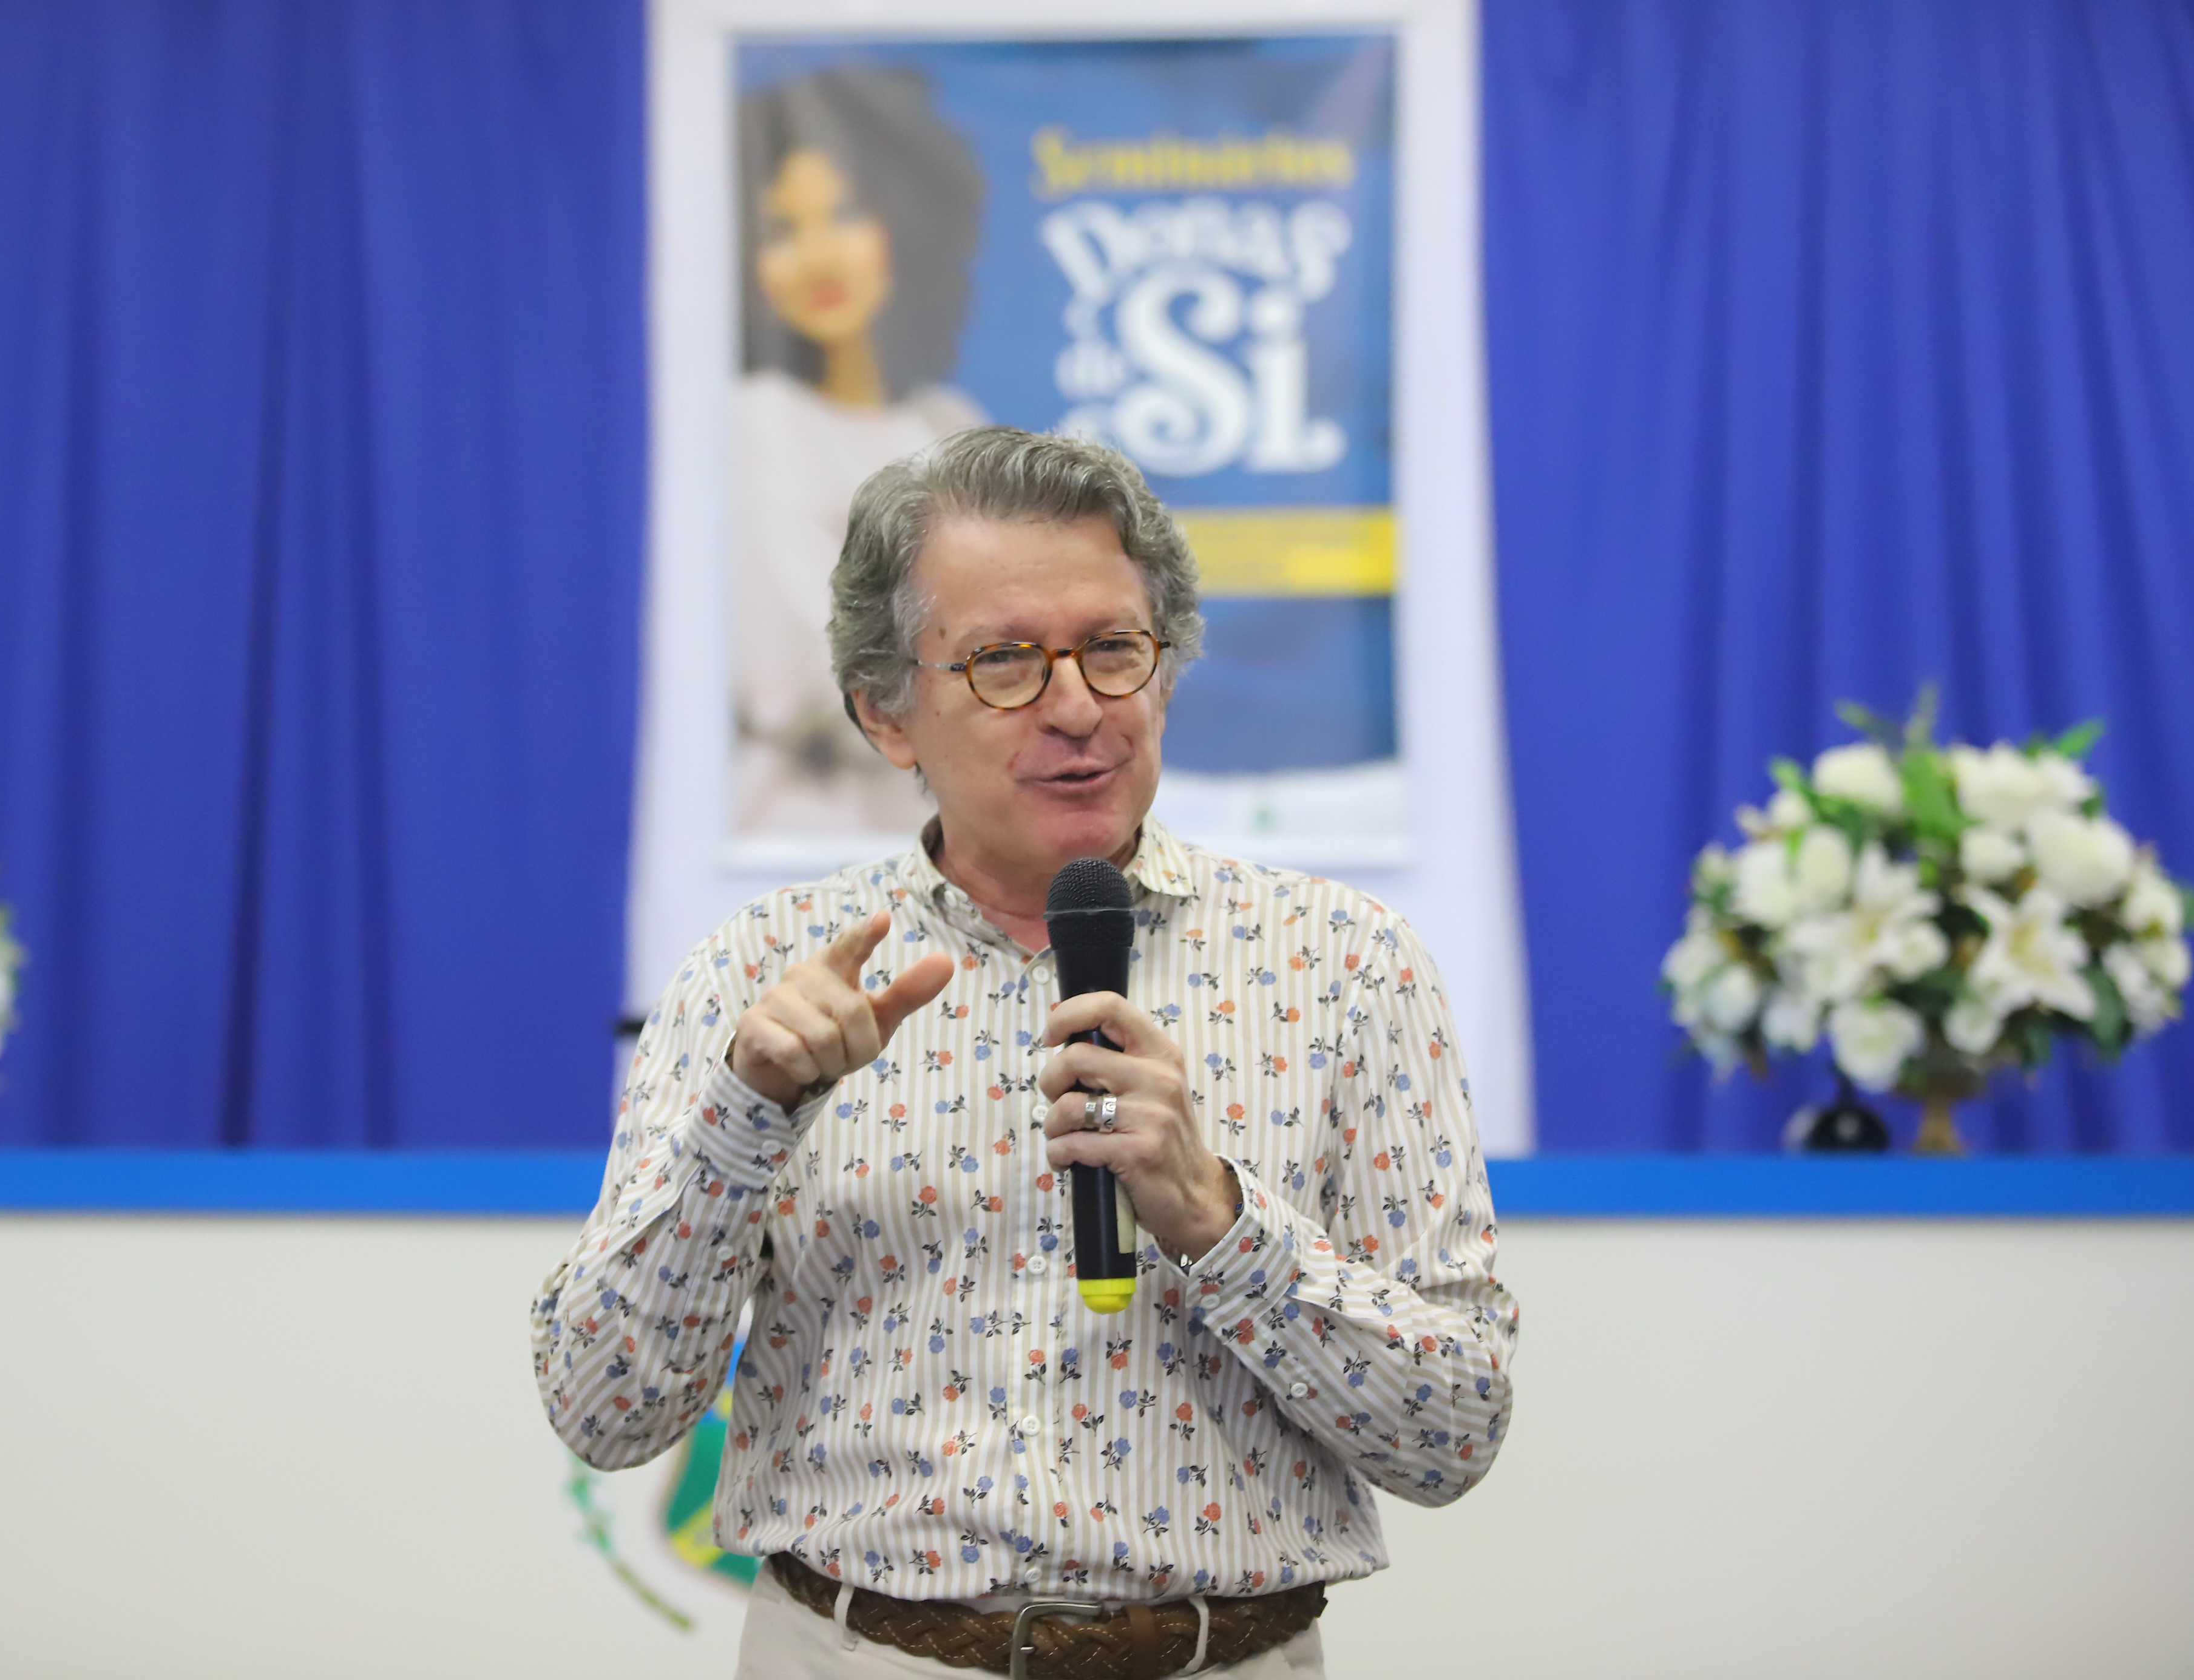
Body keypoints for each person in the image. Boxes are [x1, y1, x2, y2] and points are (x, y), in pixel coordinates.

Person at [536, 428, 1517, 1678]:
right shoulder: (761, 973)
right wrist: (745, 1115)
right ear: (885, 712)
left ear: (1167, 673)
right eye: (1003, 661)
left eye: (1113, 648)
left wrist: (1218, 1220)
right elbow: (604, 1408)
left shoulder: (1346, 965)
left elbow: (1453, 1432)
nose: (1076, 706)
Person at [733, 65, 987, 839]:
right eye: (783, 231)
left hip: (947, 832)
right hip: (800, 833)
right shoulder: (753, 424)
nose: (818, 255)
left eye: (843, 215)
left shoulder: (946, 424)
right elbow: (802, 672)